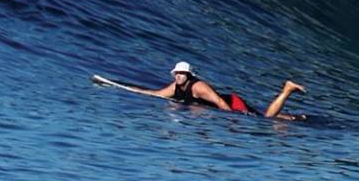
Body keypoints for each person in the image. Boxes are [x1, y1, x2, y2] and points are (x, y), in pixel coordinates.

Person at [122, 61, 306, 120]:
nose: (178, 76)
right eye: (176, 73)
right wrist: (129, 88)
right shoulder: (175, 86)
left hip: (231, 103)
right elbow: (157, 94)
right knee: (260, 114)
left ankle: (287, 90)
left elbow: (219, 102)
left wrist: (231, 117)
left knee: (266, 120)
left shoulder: (198, 86)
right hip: (225, 105)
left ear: (188, 74)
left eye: (182, 73)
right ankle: (292, 118)